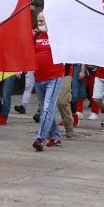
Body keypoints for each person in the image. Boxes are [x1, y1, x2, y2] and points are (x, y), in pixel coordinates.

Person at [31, 11, 65, 151]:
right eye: (38, 20)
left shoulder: (58, 35)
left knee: (47, 108)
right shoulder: (36, 35)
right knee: (47, 109)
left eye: (42, 20)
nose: (40, 23)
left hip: (54, 77)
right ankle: (55, 136)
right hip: (39, 78)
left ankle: (40, 138)